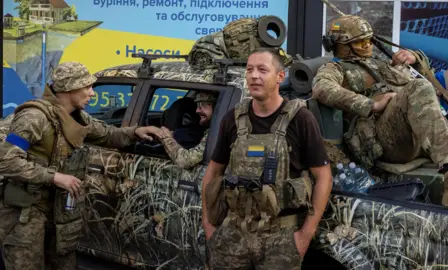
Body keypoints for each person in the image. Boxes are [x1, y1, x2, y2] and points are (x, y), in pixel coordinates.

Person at [0, 61, 163, 270]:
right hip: (26, 214)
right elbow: (7, 160)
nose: (92, 94)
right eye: (87, 87)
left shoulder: (76, 118)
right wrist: (55, 177)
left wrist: (136, 132)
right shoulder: (34, 118)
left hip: (59, 212)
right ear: (69, 88)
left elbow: (107, 135)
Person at [312, 14, 448, 213]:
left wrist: (415, 59)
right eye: (360, 42)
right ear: (340, 45)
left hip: (422, 132)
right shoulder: (334, 68)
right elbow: (321, 88)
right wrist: (370, 104)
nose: (368, 46)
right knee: (418, 87)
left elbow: (425, 74)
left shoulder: (381, 62)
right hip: (386, 140)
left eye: (369, 40)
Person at [201, 47, 333, 269]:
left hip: (280, 237)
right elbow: (213, 172)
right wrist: (209, 227)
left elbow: (324, 177)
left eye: (262, 70)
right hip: (233, 234)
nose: (254, 75)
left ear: (280, 76)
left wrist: (304, 236)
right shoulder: (233, 119)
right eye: (250, 69)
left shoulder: (300, 119)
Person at [155, 91, 217, 169]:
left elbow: (185, 161)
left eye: (203, 105)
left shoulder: (217, 133)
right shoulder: (210, 131)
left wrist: (166, 137)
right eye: (198, 105)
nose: (197, 110)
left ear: (217, 107)